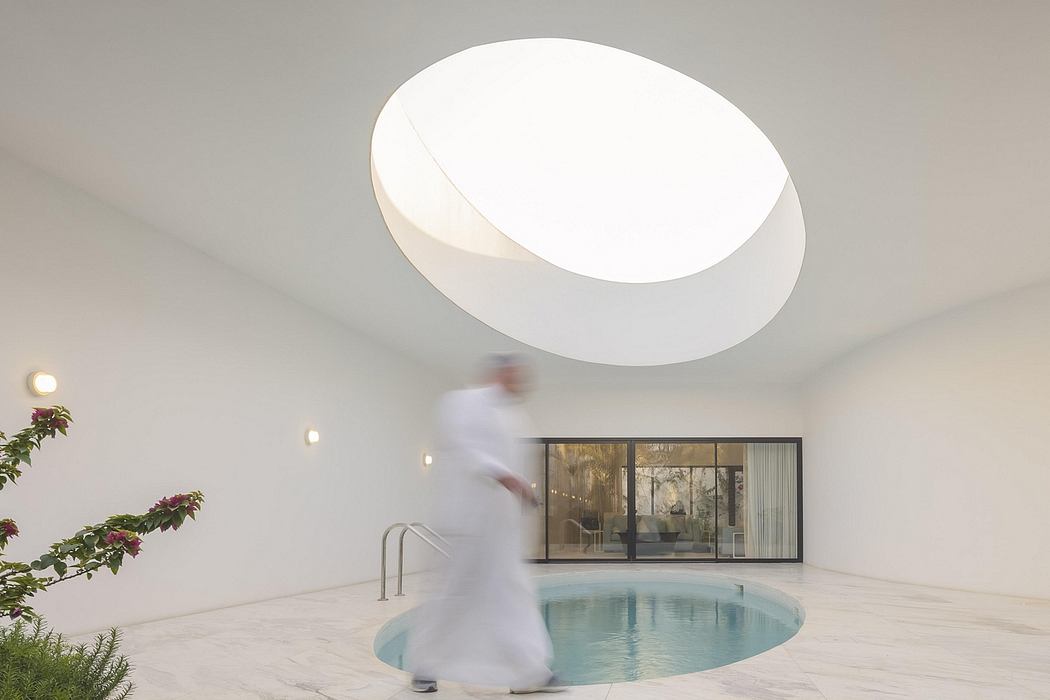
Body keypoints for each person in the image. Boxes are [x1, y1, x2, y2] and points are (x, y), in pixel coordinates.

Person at [406, 354, 561, 694]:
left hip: (500, 529)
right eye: (517, 375)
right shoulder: (460, 403)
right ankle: (424, 666)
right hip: (466, 524)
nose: (521, 383)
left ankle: (529, 673)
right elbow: (462, 448)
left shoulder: (515, 417)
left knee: (513, 594)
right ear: (502, 372)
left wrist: (519, 491)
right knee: (452, 595)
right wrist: (503, 475)